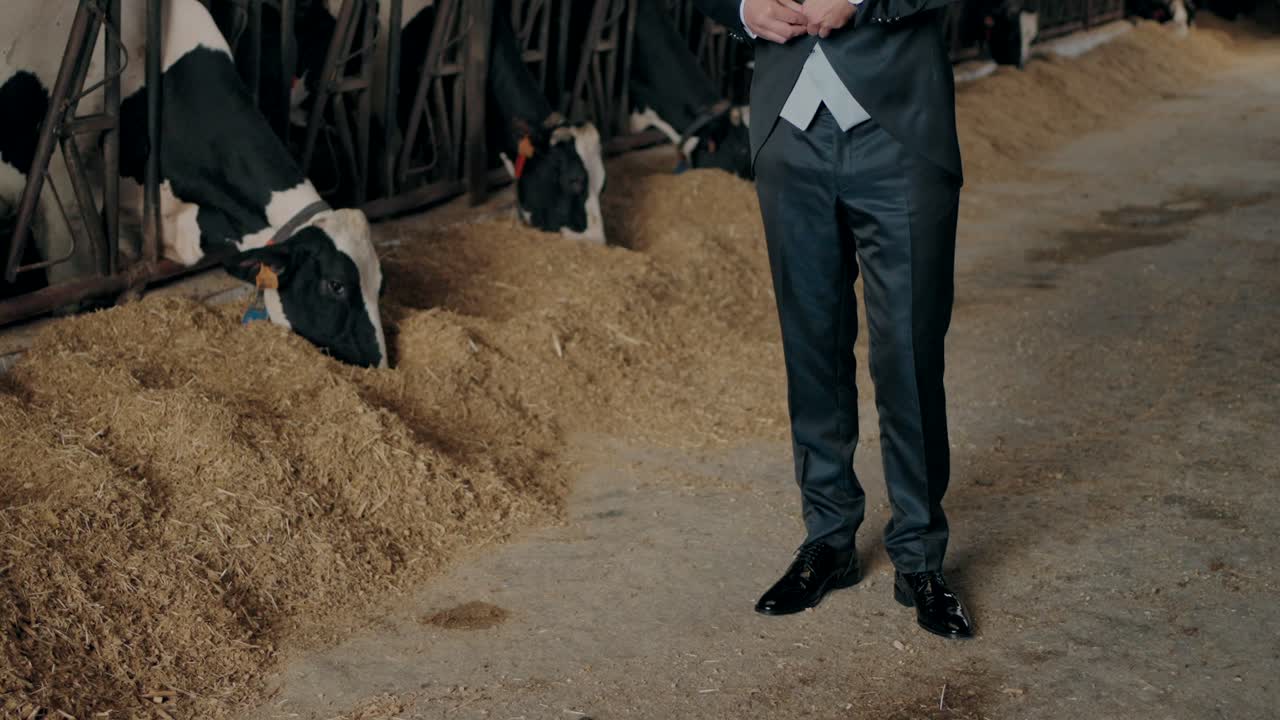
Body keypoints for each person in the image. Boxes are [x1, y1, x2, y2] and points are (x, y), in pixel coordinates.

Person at [691, 0, 975, 638]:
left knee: (908, 351)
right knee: (811, 347)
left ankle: (919, 557)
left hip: (899, 127)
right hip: (787, 132)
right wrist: (742, 8)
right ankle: (827, 539)